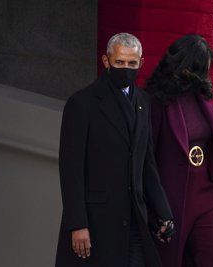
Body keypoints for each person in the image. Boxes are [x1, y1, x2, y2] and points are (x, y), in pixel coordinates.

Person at [55, 32, 174, 267]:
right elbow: (71, 169)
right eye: (119, 62)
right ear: (106, 61)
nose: (126, 68)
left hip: (135, 220)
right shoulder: (82, 103)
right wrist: (78, 224)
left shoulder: (143, 101)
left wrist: (164, 212)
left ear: (141, 63)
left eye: (132, 63)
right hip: (96, 224)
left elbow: (146, 162)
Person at [145, 34, 213, 267]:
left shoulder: (202, 96)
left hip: (206, 194)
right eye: (203, 68)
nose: (207, 74)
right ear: (189, 66)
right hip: (172, 199)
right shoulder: (155, 101)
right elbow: (147, 159)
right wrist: (156, 210)